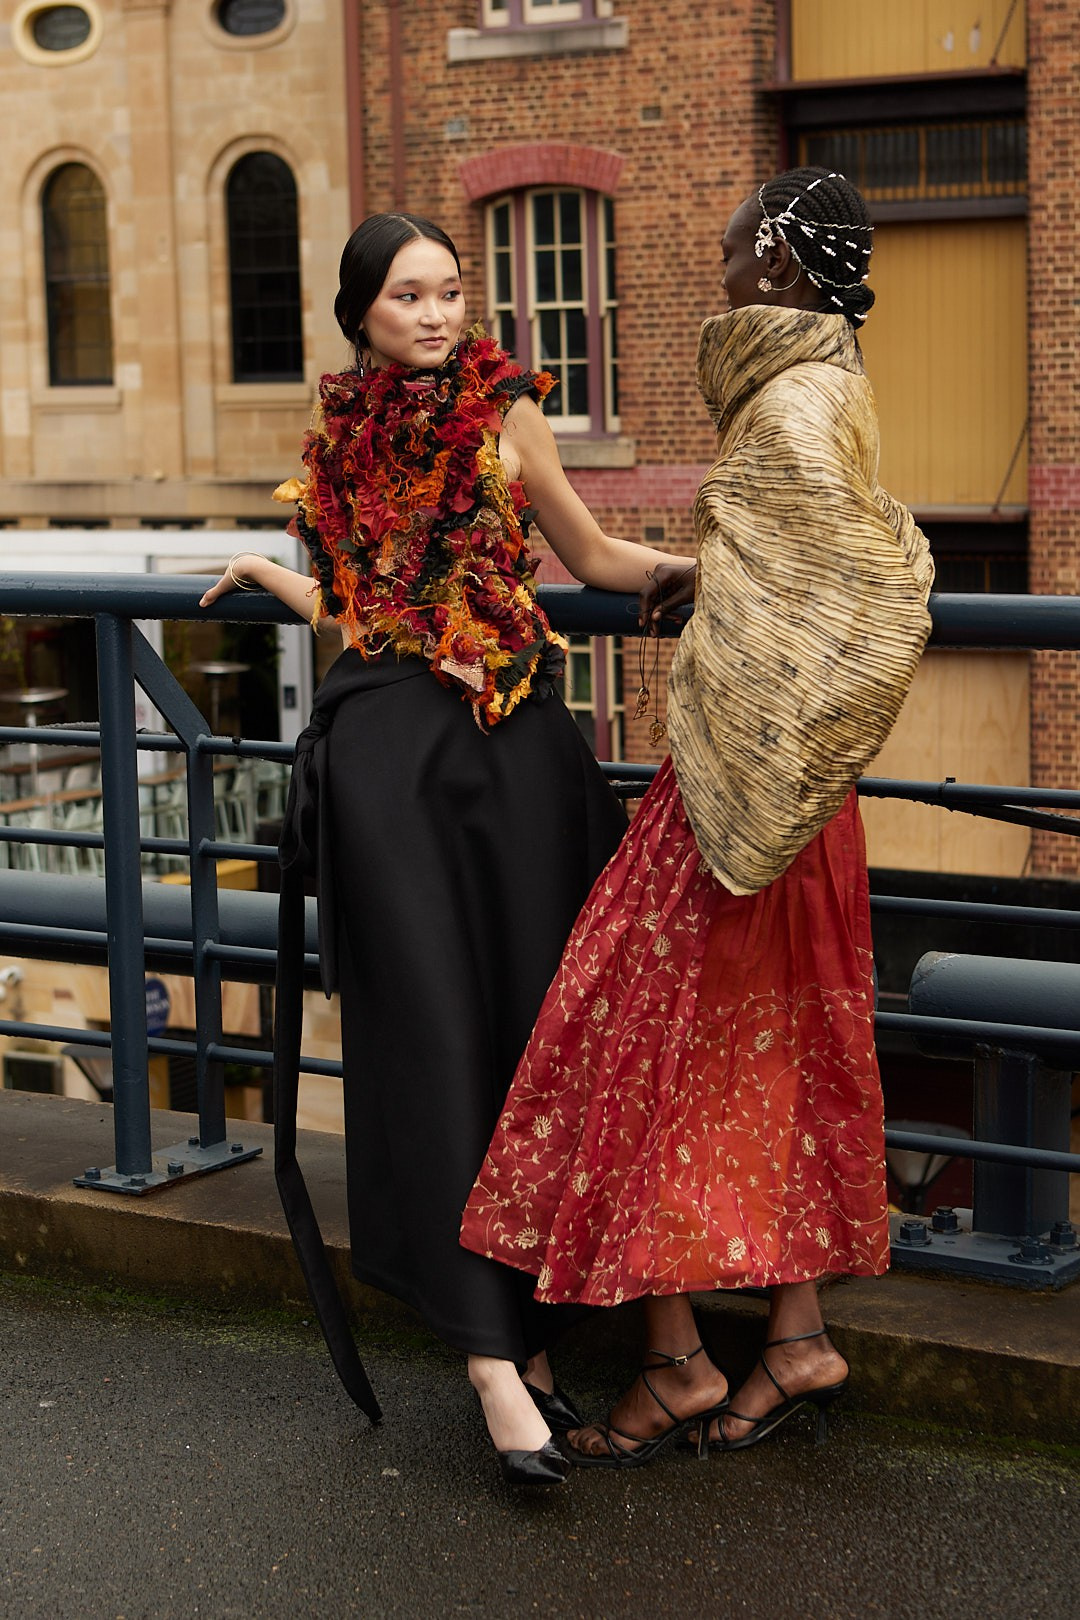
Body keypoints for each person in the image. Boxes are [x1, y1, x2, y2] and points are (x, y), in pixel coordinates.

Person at [198, 212, 691, 1487]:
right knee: (424, 1042)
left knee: (537, 1038)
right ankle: (487, 1363)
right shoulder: (335, 444)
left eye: (451, 292)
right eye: (408, 295)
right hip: (386, 765)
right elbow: (366, 619)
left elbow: (587, 556)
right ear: (360, 311)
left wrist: (711, 569)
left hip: (517, 755)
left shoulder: (506, 412)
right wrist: (271, 570)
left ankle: (525, 1338)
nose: (435, 312)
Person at [460, 168, 936, 1467]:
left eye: (731, 246)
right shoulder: (826, 383)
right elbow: (831, 563)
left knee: (631, 1039)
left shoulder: (787, 401)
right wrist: (719, 574)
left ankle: (676, 1360)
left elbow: (837, 588)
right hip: (791, 799)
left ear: (777, 261)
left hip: (738, 795)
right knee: (761, 1049)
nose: (717, 267)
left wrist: (723, 596)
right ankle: (788, 1339)